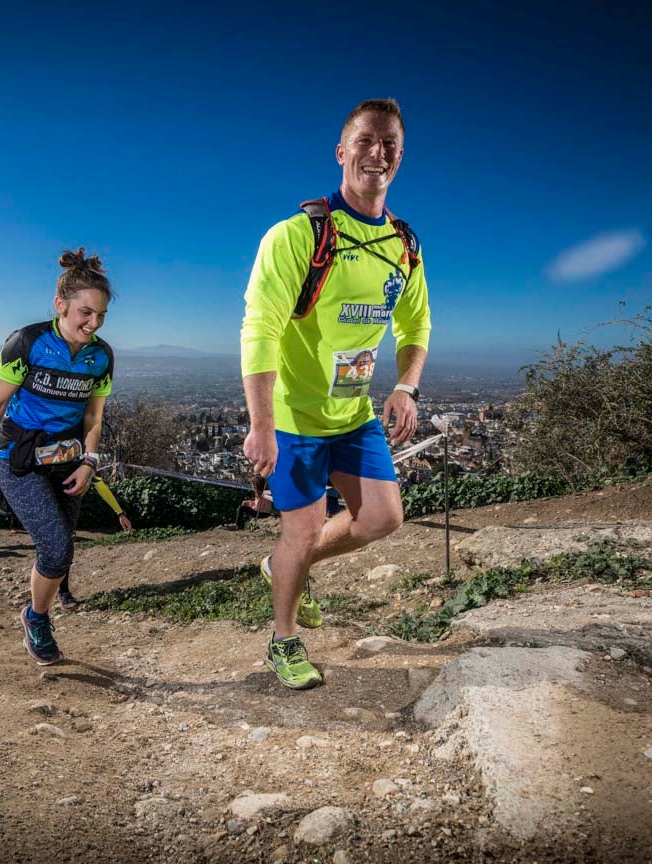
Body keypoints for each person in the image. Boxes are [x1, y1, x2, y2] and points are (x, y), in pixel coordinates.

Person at [240, 98, 431, 690]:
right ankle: (284, 639)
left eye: (390, 144)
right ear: (342, 152)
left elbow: (416, 325)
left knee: (382, 517)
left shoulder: (403, 243)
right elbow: (260, 329)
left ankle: (284, 568)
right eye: (367, 141)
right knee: (300, 527)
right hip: (295, 417)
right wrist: (262, 423)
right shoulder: (297, 235)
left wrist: (405, 386)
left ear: (401, 155)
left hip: (352, 415)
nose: (378, 153)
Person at [0, 248, 115, 665]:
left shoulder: (102, 356)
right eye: (85, 312)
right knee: (57, 546)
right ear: (60, 305)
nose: (93, 323)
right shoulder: (26, 342)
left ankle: (44, 605)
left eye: (100, 315)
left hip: (69, 461)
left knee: (63, 549)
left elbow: (94, 417)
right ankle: (37, 618)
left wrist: (89, 462)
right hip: (19, 460)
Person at [57, 475, 134, 610]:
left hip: (70, 510)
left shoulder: (85, 463)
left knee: (65, 549)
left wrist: (120, 513)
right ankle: (45, 599)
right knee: (51, 549)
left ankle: (64, 593)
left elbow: (100, 485)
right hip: (49, 505)